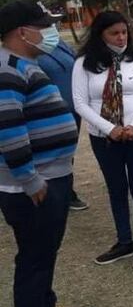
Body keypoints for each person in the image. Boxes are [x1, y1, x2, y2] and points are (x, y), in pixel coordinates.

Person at [0, 0, 88, 307]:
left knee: (45, 250)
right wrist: (30, 179)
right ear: (23, 32)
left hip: (53, 175)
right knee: (34, 258)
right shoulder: (7, 70)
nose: (51, 32)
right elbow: (8, 130)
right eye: (44, 26)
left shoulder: (25, 63)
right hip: (33, 184)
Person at [72, 11, 133, 269]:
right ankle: (124, 241)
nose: (121, 38)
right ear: (101, 34)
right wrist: (110, 128)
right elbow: (80, 103)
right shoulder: (84, 63)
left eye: (124, 32)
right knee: (116, 189)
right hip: (104, 138)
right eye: (114, 33)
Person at [37, 38, 89, 211]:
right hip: (49, 114)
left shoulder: (60, 43)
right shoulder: (33, 50)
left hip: (72, 110)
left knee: (68, 154)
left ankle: (67, 192)